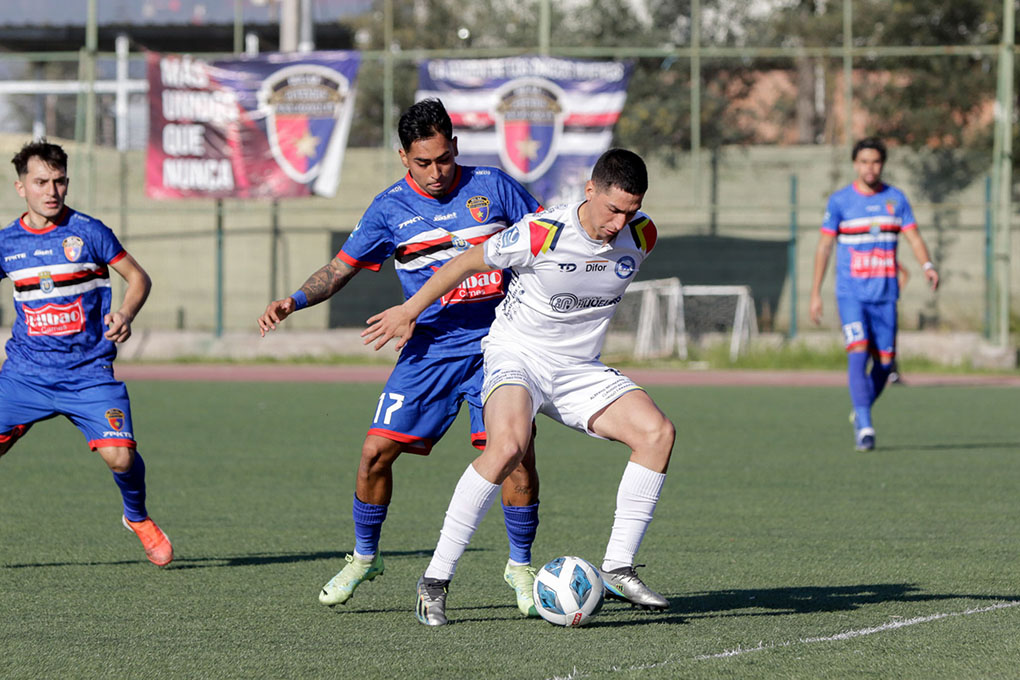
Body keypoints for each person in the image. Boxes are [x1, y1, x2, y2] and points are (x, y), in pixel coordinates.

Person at [257, 98, 544, 615]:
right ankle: (366, 557)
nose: (436, 173)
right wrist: (294, 300)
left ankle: (520, 568)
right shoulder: (389, 207)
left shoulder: (496, 187)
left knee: (517, 459)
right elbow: (340, 268)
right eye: (422, 163)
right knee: (373, 453)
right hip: (429, 352)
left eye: (444, 159)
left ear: (455, 147)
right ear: (402, 157)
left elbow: (548, 240)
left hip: (500, 348)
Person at [364, 148, 675, 626]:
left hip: (578, 370)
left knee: (657, 434)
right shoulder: (541, 232)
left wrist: (628, 222)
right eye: (612, 209)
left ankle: (617, 568)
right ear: (589, 191)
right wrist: (411, 310)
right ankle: (435, 581)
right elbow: (465, 262)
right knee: (507, 446)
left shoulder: (642, 235)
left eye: (630, 211)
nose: (619, 222)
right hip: (517, 357)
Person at [0, 140, 171, 566]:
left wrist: (126, 313)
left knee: (121, 456)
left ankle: (137, 517)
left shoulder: (89, 232)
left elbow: (138, 278)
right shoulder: (7, 242)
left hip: (88, 373)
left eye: (59, 181)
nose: (52, 191)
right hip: (25, 374)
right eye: (41, 182)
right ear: (21, 186)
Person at [809, 137, 938, 452]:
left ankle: (861, 406)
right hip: (850, 293)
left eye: (876, 162)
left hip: (885, 295)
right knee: (857, 350)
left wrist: (927, 264)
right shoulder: (840, 202)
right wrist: (815, 293)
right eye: (864, 161)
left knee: (885, 362)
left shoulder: (896, 200)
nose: (870, 167)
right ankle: (865, 425)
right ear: (855, 164)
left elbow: (914, 237)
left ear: (883, 164)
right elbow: (825, 247)